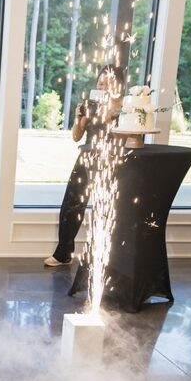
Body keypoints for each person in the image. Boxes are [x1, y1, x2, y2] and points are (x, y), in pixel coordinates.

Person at [44, 64, 126, 267]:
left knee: (107, 207)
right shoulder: (87, 103)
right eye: (100, 82)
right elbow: (76, 136)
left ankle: (107, 255)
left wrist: (110, 116)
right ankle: (63, 253)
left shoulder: (125, 106)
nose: (103, 85)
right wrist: (81, 121)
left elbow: (126, 135)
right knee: (71, 205)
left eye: (107, 83)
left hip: (111, 159)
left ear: (119, 84)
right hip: (87, 156)